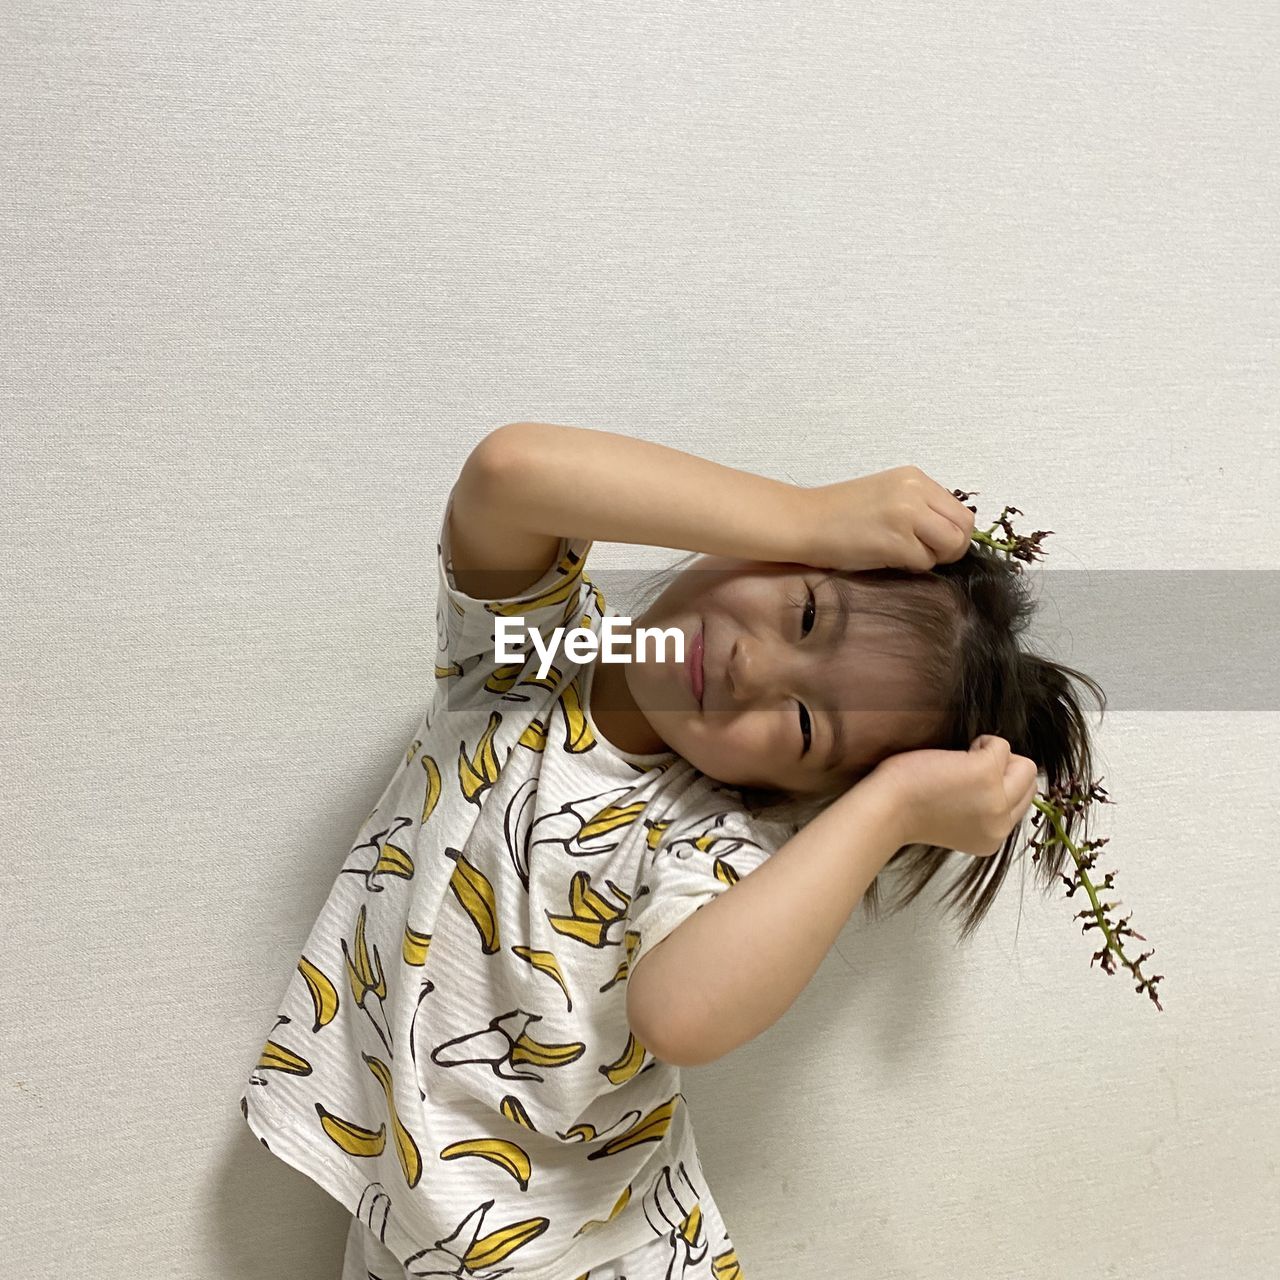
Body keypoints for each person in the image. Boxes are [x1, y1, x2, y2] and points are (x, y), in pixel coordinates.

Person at [240, 421, 1104, 1280]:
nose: (750, 670)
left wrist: (890, 807)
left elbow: (681, 1014)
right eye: (806, 613)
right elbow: (512, 472)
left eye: (805, 724)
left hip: (582, 1255)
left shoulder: (709, 840)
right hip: (419, 1224)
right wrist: (806, 517)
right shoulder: (522, 662)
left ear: (801, 793)